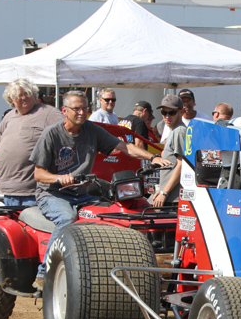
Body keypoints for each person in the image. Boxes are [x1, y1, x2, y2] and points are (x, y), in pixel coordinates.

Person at [30, 90, 162, 288]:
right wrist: (58, 178)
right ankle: (44, 274)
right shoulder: (52, 134)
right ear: (64, 110)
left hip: (83, 194)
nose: (81, 112)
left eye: (84, 108)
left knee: (114, 216)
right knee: (66, 218)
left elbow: (124, 146)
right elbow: (38, 174)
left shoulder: (91, 130)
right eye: (76, 109)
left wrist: (153, 157)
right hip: (53, 194)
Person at [0, 78, 65, 207]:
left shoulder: (48, 113)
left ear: (34, 95)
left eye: (27, 93)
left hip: (33, 192)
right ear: (11, 100)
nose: (24, 98)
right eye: (19, 95)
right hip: (8, 191)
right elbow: (0, 139)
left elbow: (68, 132)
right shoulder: (9, 116)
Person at [151, 94, 190, 208]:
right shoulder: (174, 131)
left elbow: (182, 164)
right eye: (164, 112)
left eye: (171, 112)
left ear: (181, 112)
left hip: (174, 199)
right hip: (169, 197)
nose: (167, 116)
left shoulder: (179, 131)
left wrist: (164, 192)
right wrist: (161, 189)